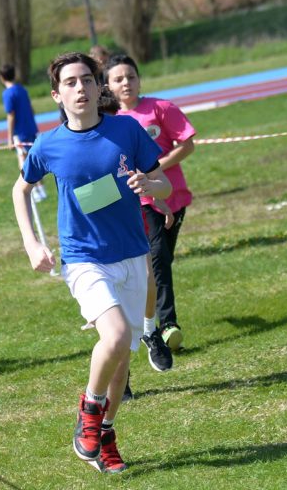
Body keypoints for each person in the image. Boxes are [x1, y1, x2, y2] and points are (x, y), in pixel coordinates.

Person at [11, 52, 171, 473]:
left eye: (86, 79)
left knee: (122, 359)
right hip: (83, 259)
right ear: (56, 95)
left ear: (100, 87)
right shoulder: (48, 145)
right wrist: (31, 244)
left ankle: (106, 433)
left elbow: (164, 184)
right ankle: (89, 410)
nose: (80, 88)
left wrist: (149, 183)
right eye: (70, 82)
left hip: (131, 254)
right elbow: (20, 190)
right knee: (114, 337)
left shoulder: (126, 130)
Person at [106, 54, 196, 352]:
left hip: (171, 195)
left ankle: (151, 323)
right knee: (156, 262)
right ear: (108, 86)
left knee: (162, 260)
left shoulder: (161, 108)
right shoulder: (109, 121)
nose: (126, 83)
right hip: (137, 201)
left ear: (139, 80)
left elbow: (187, 145)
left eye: (131, 77)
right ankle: (165, 326)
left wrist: (154, 168)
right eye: (118, 79)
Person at [0, 63, 46, 202]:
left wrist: (9, 137)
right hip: (31, 128)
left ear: (1, 77)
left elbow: (11, 115)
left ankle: (34, 191)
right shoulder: (22, 89)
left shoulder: (8, 93)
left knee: (24, 162)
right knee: (34, 159)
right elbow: (31, 109)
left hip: (20, 132)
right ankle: (41, 189)